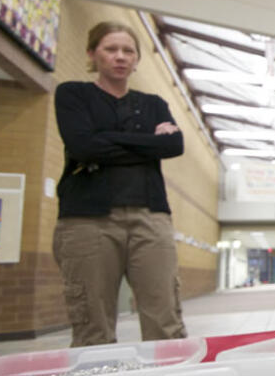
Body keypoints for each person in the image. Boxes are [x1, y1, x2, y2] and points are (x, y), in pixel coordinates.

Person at [53, 21, 188, 346]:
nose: (120, 57)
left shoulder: (153, 103)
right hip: (87, 220)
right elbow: (81, 146)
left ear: (137, 59)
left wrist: (104, 141)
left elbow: (174, 145)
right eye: (111, 49)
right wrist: (146, 142)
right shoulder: (73, 94)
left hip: (150, 218)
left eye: (128, 50)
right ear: (92, 53)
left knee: (165, 322)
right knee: (92, 326)